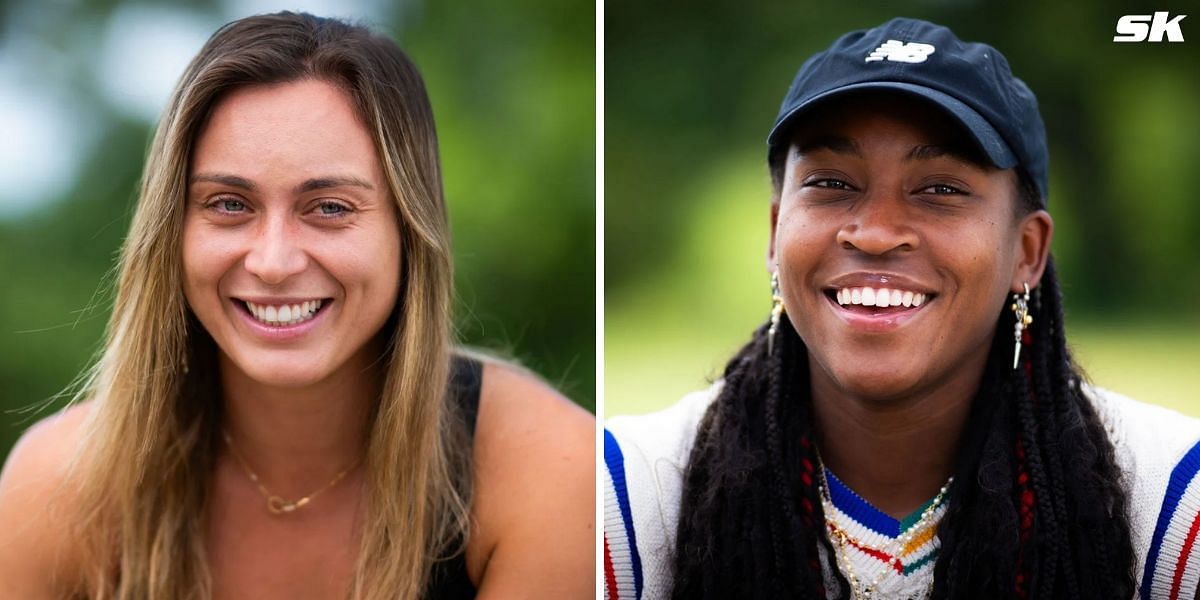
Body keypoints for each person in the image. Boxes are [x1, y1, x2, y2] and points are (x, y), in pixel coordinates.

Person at [0, 12, 594, 599]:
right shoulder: (53, 488)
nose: (273, 262)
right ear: (171, 231)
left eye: (330, 207)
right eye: (229, 204)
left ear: (408, 232)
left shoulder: (552, 474)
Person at [603, 17, 1200, 600]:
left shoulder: (1171, 505)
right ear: (776, 231)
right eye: (832, 183)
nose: (877, 232)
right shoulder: (628, 498)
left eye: (940, 189)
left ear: (1026, 252)